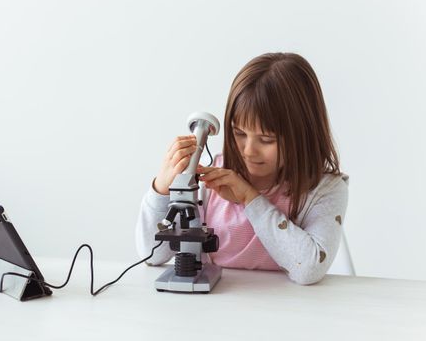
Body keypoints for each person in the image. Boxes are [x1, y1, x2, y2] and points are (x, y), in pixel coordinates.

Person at [135, 52, 349, 285]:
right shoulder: (208, 183)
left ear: (302, 134)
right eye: (239, 133)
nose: (248, 150)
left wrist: (250, 199)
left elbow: (308, 269)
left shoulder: (325, 189)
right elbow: (151, 254)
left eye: (266, 139)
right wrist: (162, 189)